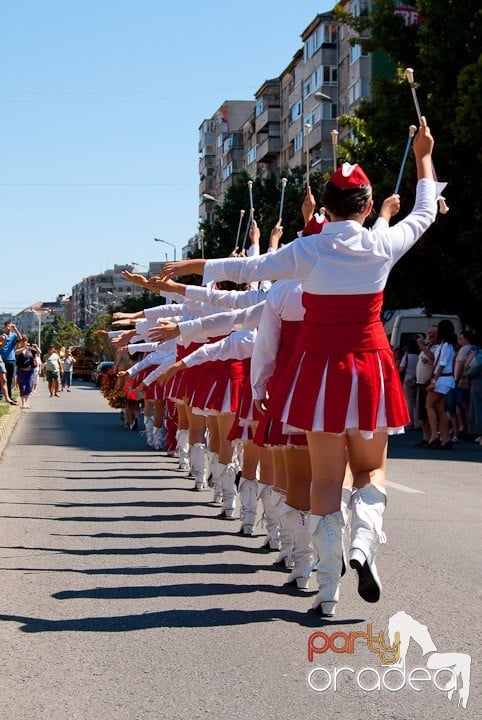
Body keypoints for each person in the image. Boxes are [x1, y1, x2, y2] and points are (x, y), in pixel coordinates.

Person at [159, 117, 437, 618]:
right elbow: (423, 213)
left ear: (325, 211)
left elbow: (250, 273)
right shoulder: (381, 243)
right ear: (370, 207)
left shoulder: (309, 249)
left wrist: (199, 267)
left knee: (325, 482)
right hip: (370, 365)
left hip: (320, 375)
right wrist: (423, 155)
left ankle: (328, 591)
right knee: (370, 469)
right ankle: (364, 546)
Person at [425, 319, 458, 449]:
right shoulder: (447, 345)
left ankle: (434, 435)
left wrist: (433, 380)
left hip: (441, 379)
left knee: (429, 405)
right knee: (440, 409)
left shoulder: (445, 346)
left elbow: (442, 364)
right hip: (445, 379)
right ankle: (445, 438)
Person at [0, 320, 21, 403]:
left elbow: (21, 339)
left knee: (9, 379)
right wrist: (3, 340)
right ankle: (1, 395)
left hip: (11, 359)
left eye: (10, 326)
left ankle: (9, 396)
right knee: (2, 379)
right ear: (5, 327)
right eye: (8, 326)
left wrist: (15, 329)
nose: (9, 328)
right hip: (2, 360)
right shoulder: (1, 336)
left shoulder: (14, 336)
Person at [15, 336, 37, 408]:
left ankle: (26, 402)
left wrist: (35, 347)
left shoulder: (30, 350)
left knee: (29, 386)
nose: (24, 342)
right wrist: (24, 348)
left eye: (25, 341)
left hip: (30, 371)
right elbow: (16, 352)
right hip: (21, 371)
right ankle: (23, 403)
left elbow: (39, 352)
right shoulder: (18, 349)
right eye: (23, 341)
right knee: (22, 387)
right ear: (20, 342)